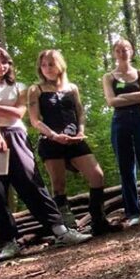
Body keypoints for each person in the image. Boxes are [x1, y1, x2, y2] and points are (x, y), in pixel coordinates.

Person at [0, 47, 91, 261]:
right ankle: (8, 242)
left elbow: (18, 113)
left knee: (32, 182)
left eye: (4, 62)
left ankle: (60, 230)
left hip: (16, 135)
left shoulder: (19, 87)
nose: (1, 66)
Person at [27, 49, 119, 234]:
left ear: (60, 65)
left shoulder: (72, 88)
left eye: (51, 64)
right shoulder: (35, 90)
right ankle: (68, 228)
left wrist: (81, 130)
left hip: (75, 140)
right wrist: (54, 135)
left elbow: (80, 112)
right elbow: (35, 120)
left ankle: (98, 220)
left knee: (97, 175)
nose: (47, 69)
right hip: (51, 141)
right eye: (43, 65)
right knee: (59, 184)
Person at [102, 39, 140, 226]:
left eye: (126, 49)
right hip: (120, 121)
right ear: (114, 53)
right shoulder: (109, 77)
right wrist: (134, 97)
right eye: (119, 50)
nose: (123, 52)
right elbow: (111, 102)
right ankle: (133, 212)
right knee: (126, 167)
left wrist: (123, 97)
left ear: (132, 51)